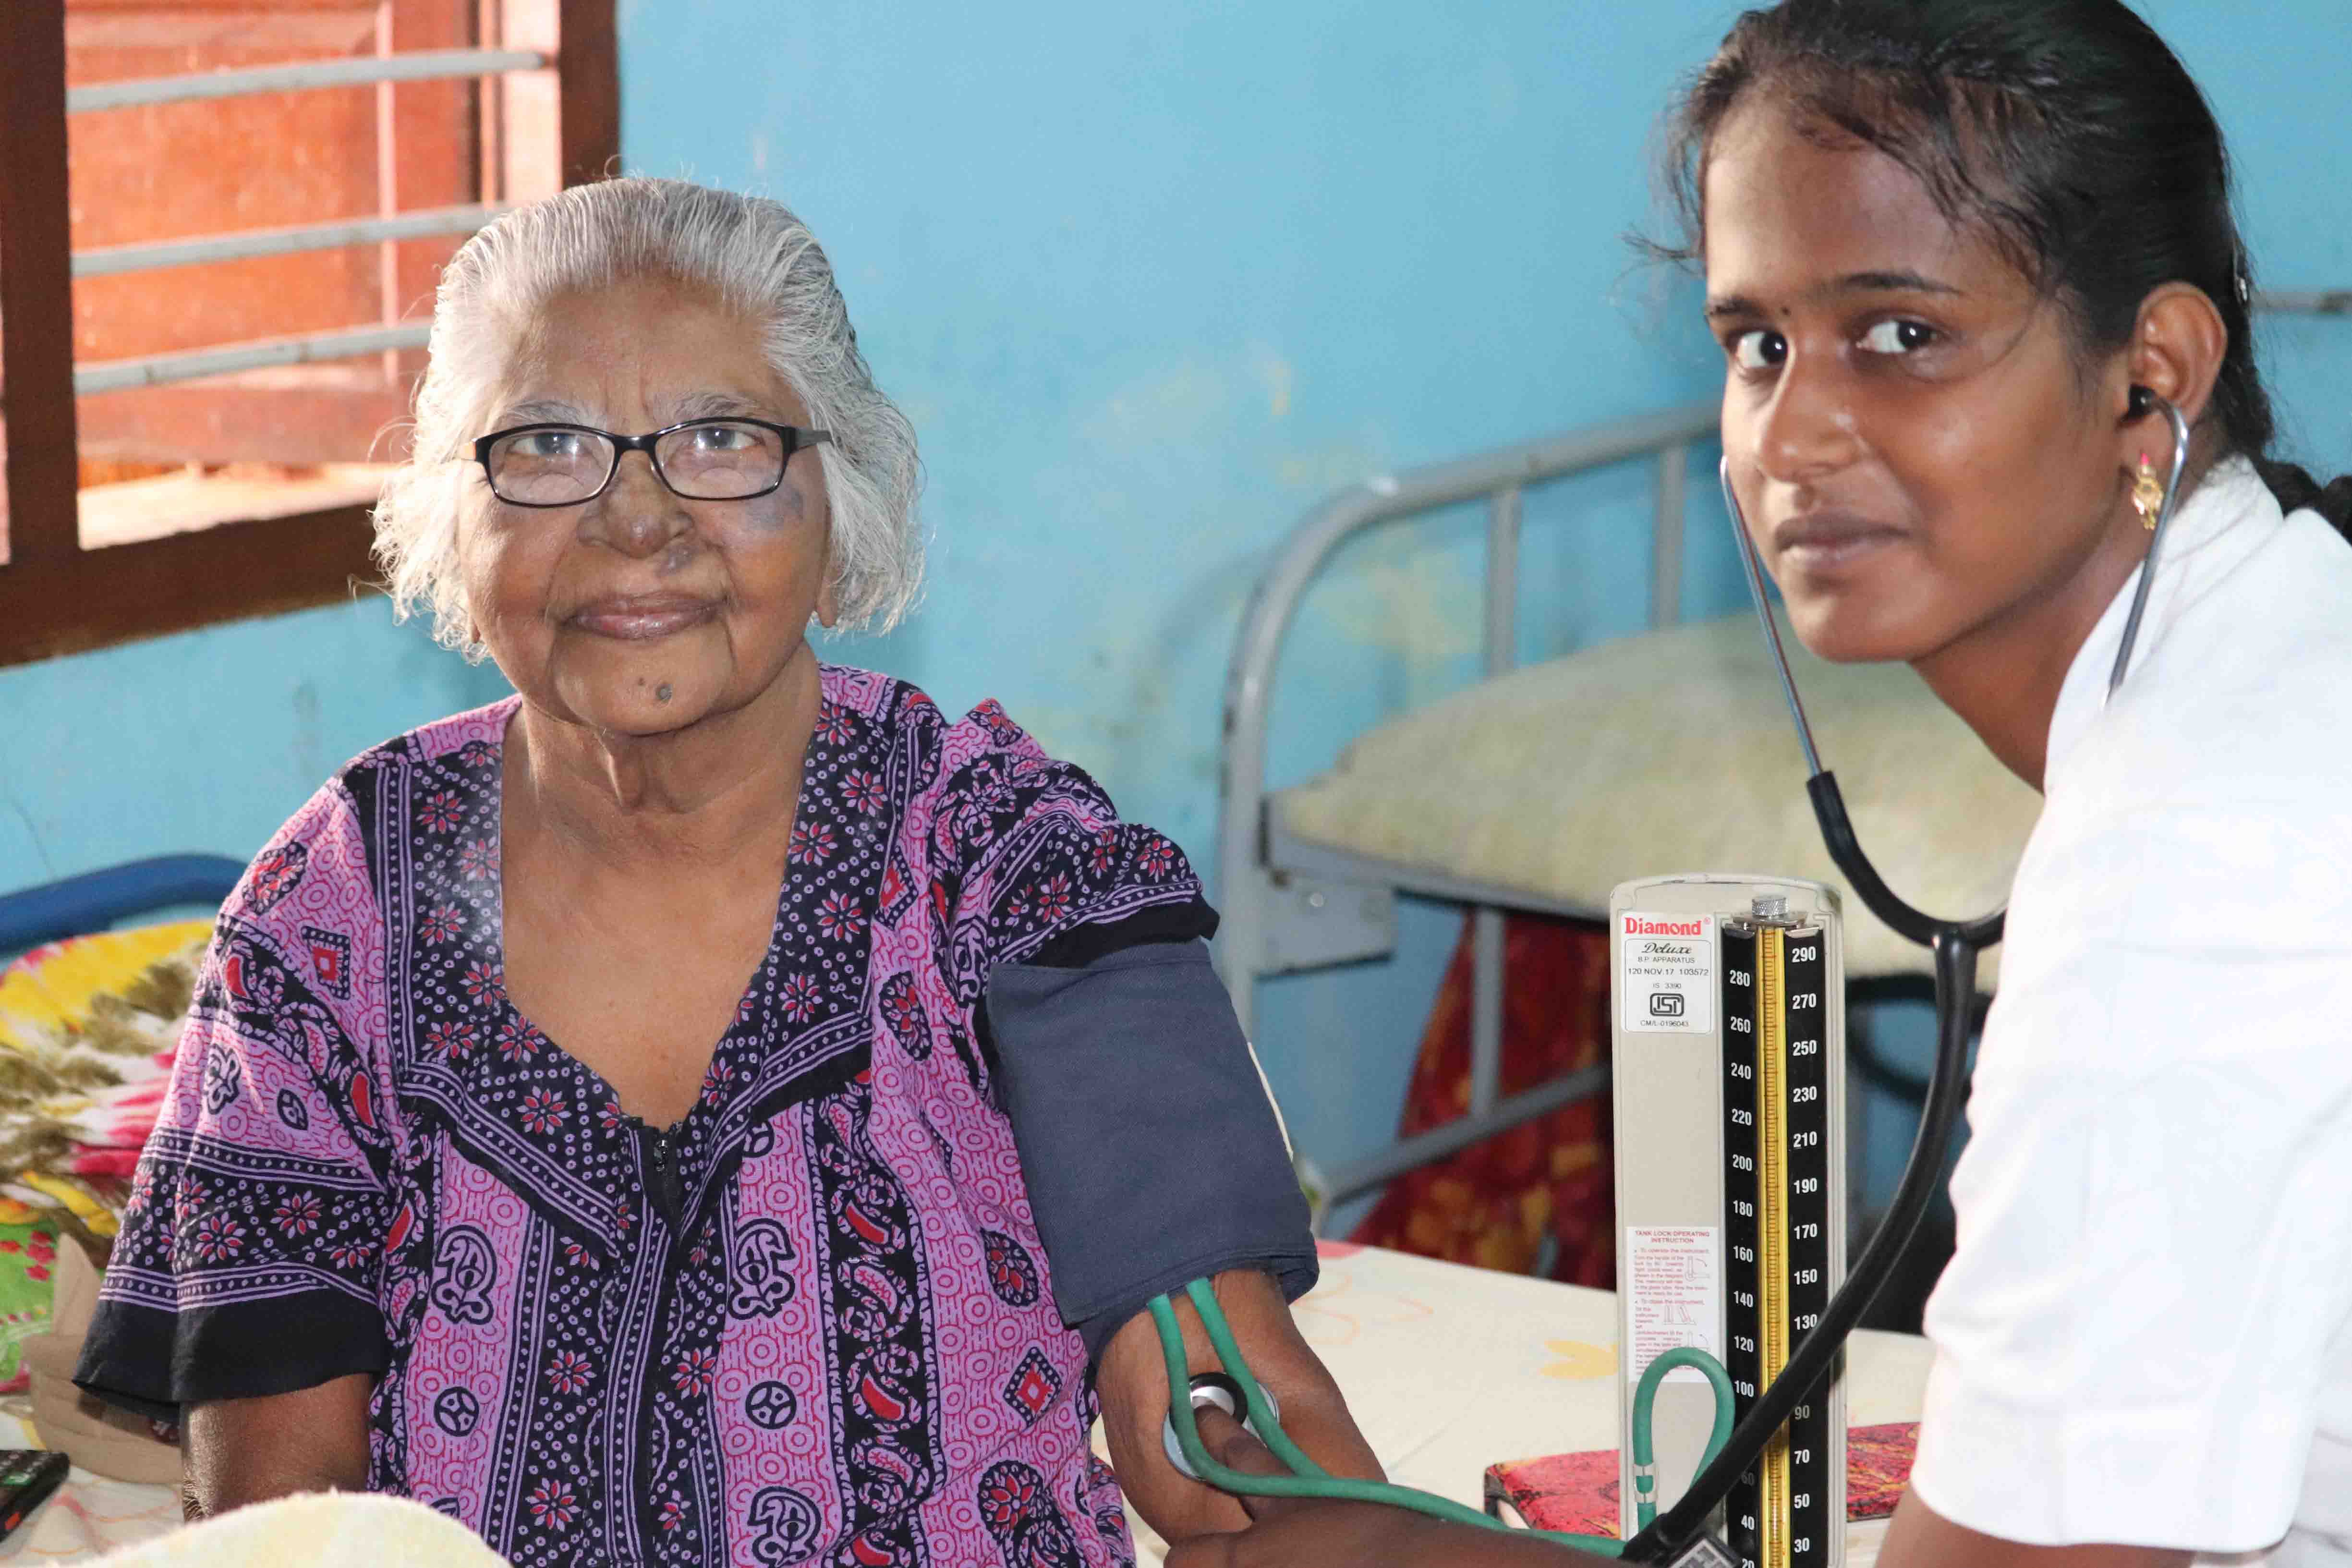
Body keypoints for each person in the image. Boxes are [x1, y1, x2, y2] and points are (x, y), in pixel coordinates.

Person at [1167, 2, 2352, 1565]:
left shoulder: (2184, 858)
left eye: (1901, 334)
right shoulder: (2289, 631)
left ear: (2152, 372)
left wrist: (1411, 1556)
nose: (1790, 435)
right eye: (1757, 346)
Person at [71, 177, 1381, 1566]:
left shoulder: (1011, 858)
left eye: (720, 438)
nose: (637, 519)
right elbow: (289, 1528)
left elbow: (1225, 1401)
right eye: (551, 444)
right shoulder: (329, 912)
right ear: (461, 511)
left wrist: (1253, 1469)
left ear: (838, 492)